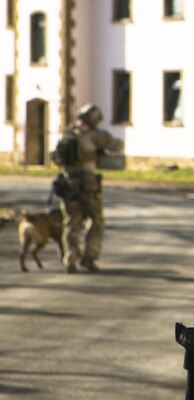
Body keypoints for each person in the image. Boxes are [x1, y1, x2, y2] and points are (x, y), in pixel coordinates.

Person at [51, 103, 123, 273]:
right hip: (87, 182)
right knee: (96, 220)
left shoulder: (67, 134)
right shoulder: (94, 135)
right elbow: (117, 146)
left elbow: (55, 157)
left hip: (68, 182)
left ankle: (70, 259)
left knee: (72, 222)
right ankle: (89, 257)